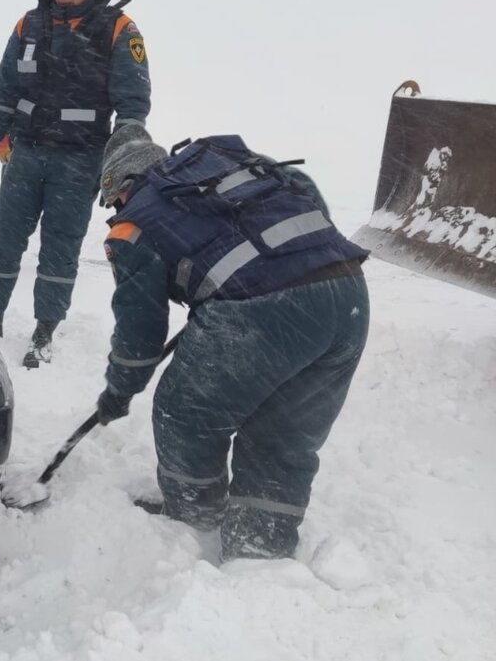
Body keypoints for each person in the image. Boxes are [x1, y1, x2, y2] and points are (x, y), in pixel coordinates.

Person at [92, 124, 371, 561]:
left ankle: (193, 519)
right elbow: (302, 186)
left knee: (183, 410)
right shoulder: (224, 170)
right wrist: (299, 261)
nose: (117, 209)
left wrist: (119, 390)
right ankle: (262, 544)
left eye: (114, 201)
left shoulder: (134, 225)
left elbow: (140, 329)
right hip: (347, 292)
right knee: (283, 431)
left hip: (264, 309)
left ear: (123, 185)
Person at [0, 0, 151, 369]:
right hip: (25, 153)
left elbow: (133, 107)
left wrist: (123, 166)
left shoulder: (119, 30)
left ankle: (44, 330)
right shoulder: (27, 26)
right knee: (2, 239)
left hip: (79, 159)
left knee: (61, 246)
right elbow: (5, 88)